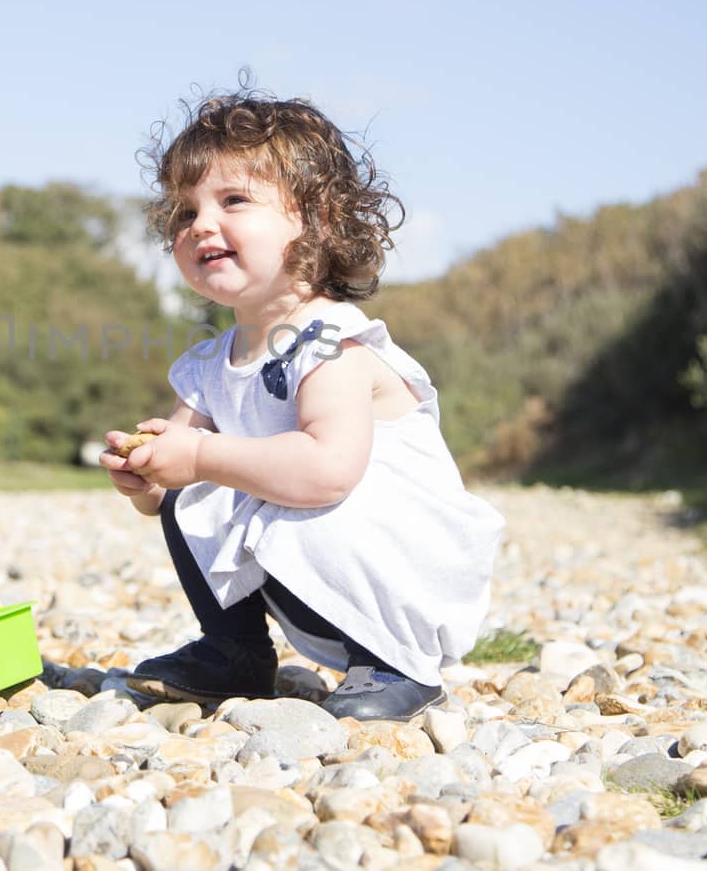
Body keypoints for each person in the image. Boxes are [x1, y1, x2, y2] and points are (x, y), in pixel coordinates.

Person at [100, 89, 504, 721]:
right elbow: (172, 491)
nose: (200, 224)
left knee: (230, 469)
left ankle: (395, 665)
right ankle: (235, 653)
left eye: (233, 200)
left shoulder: (332, 343)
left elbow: (326, 470)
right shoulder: (209, 366)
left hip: (399, 576)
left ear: (318, 221)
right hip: (310, 566)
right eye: (184, 211)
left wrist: (201, 453)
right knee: (196, 490)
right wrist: (146, 475)